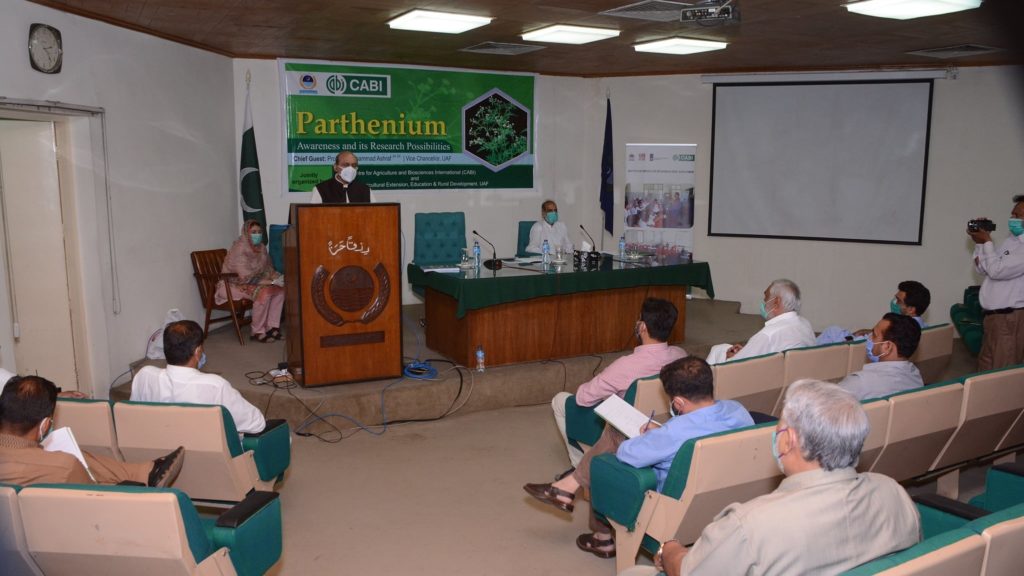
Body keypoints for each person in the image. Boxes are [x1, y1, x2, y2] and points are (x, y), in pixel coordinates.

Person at [625, 379, 920, 576]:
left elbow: (690, 572)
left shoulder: (748, 525)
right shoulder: (892, 491)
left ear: (787, 440)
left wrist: (670, 550)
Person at [524, 357, 753, 559]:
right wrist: (660, 432)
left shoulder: (673, 433)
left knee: (609, 449)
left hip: (671, 506)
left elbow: (628, 454)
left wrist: (651, 436)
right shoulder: (738, 410)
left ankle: (586, 513)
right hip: (728, 498)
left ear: (679, 403)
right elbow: (693, 431)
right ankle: (568, 488)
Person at [551, 298, 687, 468]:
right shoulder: (681, 356)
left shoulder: (625, 366)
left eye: (639, 319)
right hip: (664, 426)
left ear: (643, 327)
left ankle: (580, 465)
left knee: (560, 400)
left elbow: (582, 398)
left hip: (626, 433)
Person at [0, 375, 184, 487]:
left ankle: (144, 471)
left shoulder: (58, 462)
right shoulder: (63, 465)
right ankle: (142, 477)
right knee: (79, 465)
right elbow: (93, 497)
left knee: (75, 456)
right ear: (44, 425)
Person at [131, 320, 266, 434]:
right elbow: (256, 424)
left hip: (156, 454)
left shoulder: (144, 376)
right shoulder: (215, 386)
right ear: (198, 351)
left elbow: (133, 417)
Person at [969, 195, 1024, 371]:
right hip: (993, 318)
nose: (1012, 219)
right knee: (985, 372)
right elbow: (983, 269)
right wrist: (980, 244)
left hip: (1009, 319)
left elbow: (996, 271)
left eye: (1018, 216)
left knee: (1002, 374)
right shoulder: (1011, 242)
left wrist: (987, 242)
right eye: (1012, 215)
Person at [705, 279, 816, 365]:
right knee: (723, 348)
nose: (763, 303)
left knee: (718, 350)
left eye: (765, 298)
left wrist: (729, 358)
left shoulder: (768, 335)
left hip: (762, 381)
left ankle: (700, 389)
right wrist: (746, 350)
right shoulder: (805, 324)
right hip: (792, 376)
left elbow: (736, 366)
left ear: (776, 302)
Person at [216, 219, 285, 343]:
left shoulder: (261, 248)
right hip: (231, 285)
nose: (257, 235)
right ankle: (257, 331)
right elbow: (245, 276)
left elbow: (268, 268)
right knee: (265, 292)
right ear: (246, 233)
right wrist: (269, 282)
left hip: (252, 283)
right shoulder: (239, 248)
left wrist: (276, 278)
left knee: (280, 290)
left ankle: (271, 326)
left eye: (259, 232)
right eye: (253, 232)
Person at [816, 280, 930, 345]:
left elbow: (874, 344)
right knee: (833, 330)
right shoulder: (922, 326)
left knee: (831, 332)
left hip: (857, 347)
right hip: (863, 341)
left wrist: (859, 338)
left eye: (899, 301)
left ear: (911, 309)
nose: (894, 303)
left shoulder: (902, 328)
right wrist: (870, 331)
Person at [839, 314, 923, 400]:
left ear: (887, 347)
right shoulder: (916, 376)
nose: (869, 337)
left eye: (874, 335)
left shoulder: (859, 382)